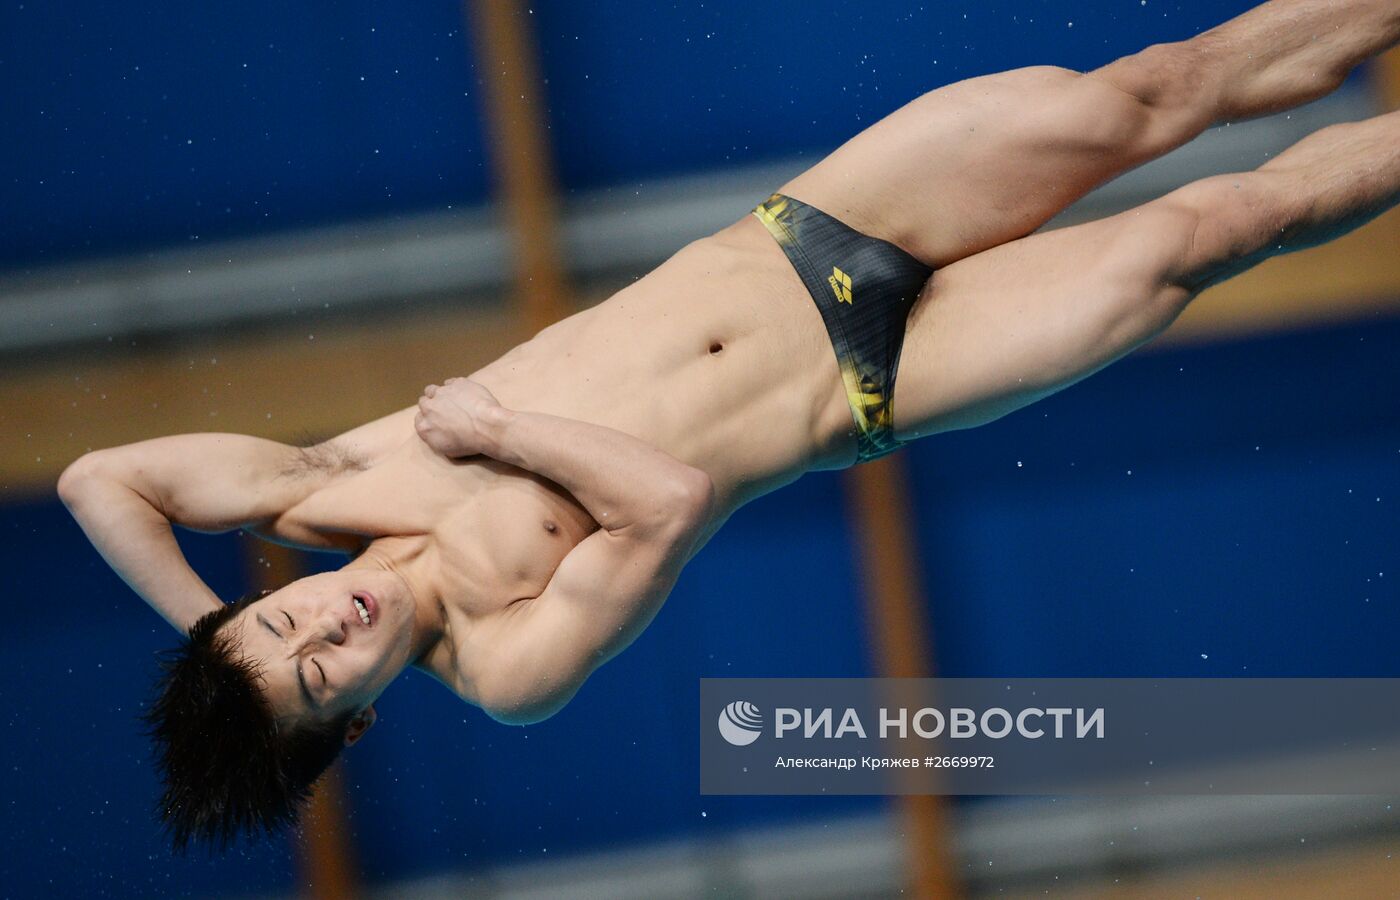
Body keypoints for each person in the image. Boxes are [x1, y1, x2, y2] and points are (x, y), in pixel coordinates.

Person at [59, 0, 1400, 849]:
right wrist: (506, 434)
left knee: (1154, 90)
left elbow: (96, 476)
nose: (322, 633)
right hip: (874, 383)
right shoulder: (504, 668)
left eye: (277, 623)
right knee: (1211, 233)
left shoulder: (319, 485)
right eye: (312, 679)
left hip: (808, 227)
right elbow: (669, 502)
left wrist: (199, 636)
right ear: (350, 726)